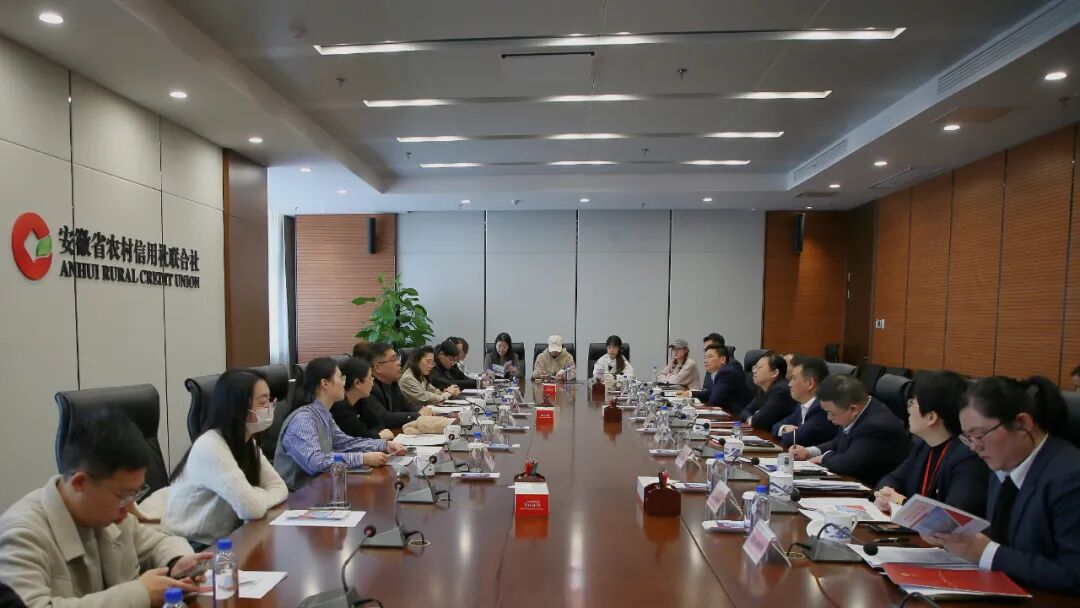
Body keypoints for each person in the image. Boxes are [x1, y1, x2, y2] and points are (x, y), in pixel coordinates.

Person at [0, 413, 209, 607]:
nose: (129, 508)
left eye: (135, 493)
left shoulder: (112, 515)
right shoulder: (22, 534)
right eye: (123, 495)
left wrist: (177, 561)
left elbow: (161, 543)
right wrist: (140, 593)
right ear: (80, 483)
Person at [928, 376, 1080, 594]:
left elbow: (1073, 574)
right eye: (967, 437)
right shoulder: (1003, 464)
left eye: (979, 435)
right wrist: (954, 537)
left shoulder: (1070, 477)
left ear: (1022, 423)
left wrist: (987, 553)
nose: (974, 447)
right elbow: (1007, 536)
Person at [163, 369, 289, 549]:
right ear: (238, 407)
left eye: (270, 400)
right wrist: (255, 497)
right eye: (262, 402)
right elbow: (250, 509)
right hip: (193, 545)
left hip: (230, 537)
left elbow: (279, 487)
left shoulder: (246, 440)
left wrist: (255, 496)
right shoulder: (210, 446)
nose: (270, 407)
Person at [275, 357, 403, 490]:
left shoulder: (324, 414)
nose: (344, 383)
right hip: (298, 495)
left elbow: (345, 444)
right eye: (341, 378)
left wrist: (383, 445)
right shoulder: (303, 420)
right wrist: (363, 458)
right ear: (325, 383)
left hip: (321, 487)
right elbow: (316, 462)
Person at [874, 371, 988, 516]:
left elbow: (953, 517)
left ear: (931, 417)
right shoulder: (924, 445)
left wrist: (900, 501)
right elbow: (893, 478)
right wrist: (885, 494)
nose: (908, 410)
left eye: (912, 403)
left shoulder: (968, 459)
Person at [790, 374, 910, 487]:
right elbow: (838, 442)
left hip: (875, 490)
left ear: (853, 409)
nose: (828, 418)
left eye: (830, 413)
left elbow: (848, 464)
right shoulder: (860, 409)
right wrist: (808, 451)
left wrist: (823, 458)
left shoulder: (876, 426)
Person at [772, 356, 836, 448]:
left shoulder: (822, 408)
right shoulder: (802, 405)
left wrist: (786, 433)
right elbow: (776, 426)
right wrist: (784, 428)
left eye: (794, 379)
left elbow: (793, 439)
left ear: (810, 383)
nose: (789, 384)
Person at [331, 357, 400, 441]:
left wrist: (374, 434)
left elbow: (379, 424)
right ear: (357, 383)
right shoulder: (339, 407)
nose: (372, 384)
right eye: (370, 378)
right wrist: (378, 436)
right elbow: (359, 437)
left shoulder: (362, 400)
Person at [367, 342, 425, 428]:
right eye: (394, 360)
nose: (399, 363)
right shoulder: (369, 388)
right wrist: (418, 415)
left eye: (398, 358)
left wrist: (423, 411)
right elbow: (384, 418)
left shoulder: (392, 383)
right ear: (378, 367)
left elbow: (408, 406)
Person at [683, 344, 752, 413]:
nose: (705, 360)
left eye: (709, 357)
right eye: (705, 357)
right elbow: (712, 392)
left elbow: (714, 400)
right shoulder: (720, 372)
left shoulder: (726, 372)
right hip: (727, 412)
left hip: (737, 415)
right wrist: (690, 393)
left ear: (722, 359)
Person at [741, 353, 798, 432]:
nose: (754, 371)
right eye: (754, 367)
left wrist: (754, 418)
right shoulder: (763, 389)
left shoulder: (781, 391)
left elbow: (760, 421)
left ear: (774, 373)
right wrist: (751, 418)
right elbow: (745, 412)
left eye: (759, 367)